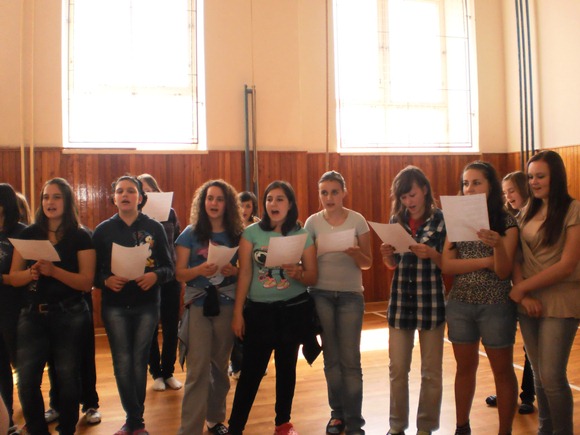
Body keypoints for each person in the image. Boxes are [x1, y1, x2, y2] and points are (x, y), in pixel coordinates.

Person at [228, 180, 318, 435]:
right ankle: (235, 427)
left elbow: (312, 276)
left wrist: (299, 273)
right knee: (251, 373)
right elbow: (245, 273)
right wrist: (238, 313)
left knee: (287, 369)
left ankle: (283, 423)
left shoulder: (302, 234)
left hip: (293, 311)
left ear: (290, 205)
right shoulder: (252, 233)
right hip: (259, 313)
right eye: (269, 199)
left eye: (280, 199)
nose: (273, 204)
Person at [9, 178, 95, 435]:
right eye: (46, 197)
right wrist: (31, 273)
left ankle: (67, 429)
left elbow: (86, 283)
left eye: (57, 197)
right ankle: (37, 431)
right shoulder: (28, 234)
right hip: (32, 315)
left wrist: (54, 271)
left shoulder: (80, 236)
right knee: (26, 380)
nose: (50, 202)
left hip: (70, 314)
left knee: (68, 378)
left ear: (67, 201)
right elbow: (14, 277)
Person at [441, 161, 519, 435]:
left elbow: (503, 271)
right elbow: (447, 265)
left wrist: (497, 247)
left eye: (476, 183)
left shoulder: (506, 222)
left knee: (502, 370)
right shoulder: (457, 220)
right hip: (460, 303)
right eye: (465, 183)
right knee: (464, 368)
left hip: (496, 305)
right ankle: (461, 426)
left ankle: (504, 431)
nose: (470, 188)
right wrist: (486, 260)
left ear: (490, 186)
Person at [92, 175, 173, 435]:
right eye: (120, 191)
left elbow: (169, 267)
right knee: (121, 362)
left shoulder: (154, 227)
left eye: (130, 191)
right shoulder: (102, 230)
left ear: (141, 198)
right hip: (114, 306)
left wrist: (155, 276)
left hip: (147, 305)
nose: (125, 195)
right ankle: (134, 419)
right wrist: (105, 280)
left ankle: (135, 421)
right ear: (114, 198)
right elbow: (91, 273)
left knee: (138, 361)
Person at [509, 150, 580, 434]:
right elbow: (517, 256)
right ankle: (544, 429)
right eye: (530, 177)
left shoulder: (573, 209)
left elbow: (567, 265)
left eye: (540, 176)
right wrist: (524, 295)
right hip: (528, 301)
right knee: (538, 374)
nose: (534, 182)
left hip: (560, 299)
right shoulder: (527, 209)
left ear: (556, 177)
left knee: (552, 375)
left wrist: (522, 288)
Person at [379, 166, 446, 435]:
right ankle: (396, 426)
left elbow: (449, 263)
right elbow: (392, 264)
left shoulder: (441, 219)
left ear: (425, 190)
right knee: (397, 369)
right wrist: (386, 254)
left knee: (431, 371)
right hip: (400, 302)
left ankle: (426, 428)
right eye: (404, 197)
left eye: (413, 195)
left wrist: (432, 254)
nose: (409, 201)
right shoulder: (396, 220)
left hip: (431, 301)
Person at [304, 170, 372, 435]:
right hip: (320, 293)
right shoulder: (312, 223)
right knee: (331, 358)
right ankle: (337, 415)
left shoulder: (357, 220)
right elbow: (305, 260)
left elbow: (367, 263)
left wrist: (356, 254)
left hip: (350, 296)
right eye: (324, 192)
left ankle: (355, 421)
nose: (329, 197)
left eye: (334, 192)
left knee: (350, 360)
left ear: (344, 192)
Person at [176, 179, 244, 435]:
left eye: (219, 199)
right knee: (197, 369)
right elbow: (179, 274)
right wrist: (199, 270)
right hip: (198, 305)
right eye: (209, 198)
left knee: (220, 366)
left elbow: (247, 272)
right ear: (202, 202)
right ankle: (189, 429)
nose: (214, 203)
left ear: (228, 204)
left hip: (227, 305)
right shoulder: (190, 233)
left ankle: (215, 420)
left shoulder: (238, 235)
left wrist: (233, 271)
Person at [485, 171, 535, 415]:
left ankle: (527, 396)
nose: (508, 196)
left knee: (530, 349)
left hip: (531, 287)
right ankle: (508, 393)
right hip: (512, 290)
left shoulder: (532, 219)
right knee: (507, 349)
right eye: (505, 192)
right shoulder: (507, 218)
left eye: (512, 190)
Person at [137, 173, 183, 392]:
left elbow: (178, 241)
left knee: (171, 326)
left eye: (150, 190)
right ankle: (155, 372)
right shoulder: (135, 216)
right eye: (143, 191)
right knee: (150, 327)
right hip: (146, 278)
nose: (147, 194)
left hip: (170, 277)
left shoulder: (170, 213)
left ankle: (169, 372)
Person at [0, 184, 28, 434]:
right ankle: (6, 421)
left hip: (15, 309)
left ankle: (33, 416)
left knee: (23, 367)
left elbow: (20, 276)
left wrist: (6, 278)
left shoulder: (22, 233)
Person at [229, 191, 260, 381]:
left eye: (248, 206)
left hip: (255, 281)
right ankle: (237, 365)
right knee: (237, 325)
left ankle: (253, 364)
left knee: (252, 326)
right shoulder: (232, 228)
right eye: (241, 205)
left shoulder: (259, 227)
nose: (244, 210)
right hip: (235, 281)